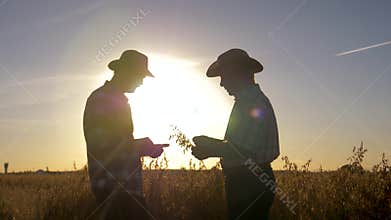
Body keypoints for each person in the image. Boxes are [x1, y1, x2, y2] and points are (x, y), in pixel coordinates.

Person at [192, 49, 280, 220]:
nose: (222, 83)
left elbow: (244, 152)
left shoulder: (250, 103)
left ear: (237, 74)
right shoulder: (250, 100)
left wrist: (211, 148)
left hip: (248, 182)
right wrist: (212, 146)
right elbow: (241, 146)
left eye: (224, 76)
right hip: (252, 180)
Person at [83, 50, 168, 219]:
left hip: (124, 189)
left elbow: (116, 145)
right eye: (140, 76)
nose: (142, 83)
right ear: (126, 72)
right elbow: (99, 143)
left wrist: (144, 150)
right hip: (114, 190)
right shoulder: (102, 98)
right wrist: (139, 146)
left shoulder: (115, 99)